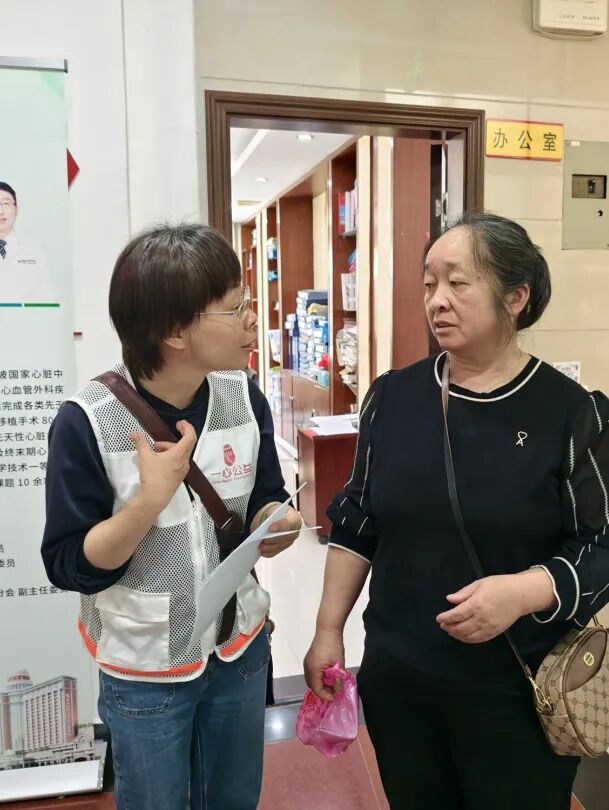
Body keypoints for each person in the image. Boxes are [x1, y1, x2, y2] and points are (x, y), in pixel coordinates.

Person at [304, 212, 609, 809]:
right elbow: (358, 520)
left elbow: (601, 544)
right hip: (401, 680)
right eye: (428, 284)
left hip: (517, 688)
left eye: (457, 282)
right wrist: (327, 631)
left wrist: (524, 591)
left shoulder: (573, 415)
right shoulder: (392, 398)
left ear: (515, 297)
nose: (437, 300)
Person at [41, 224, 302, 810]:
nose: (251, 320)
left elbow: (265, 493)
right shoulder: (86, 421)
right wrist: (146, 504)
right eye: (234, 308)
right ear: (175, 332)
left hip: (238, 648)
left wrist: (274, 521)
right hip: (144, 670)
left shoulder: (244, 396)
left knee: (234, 799)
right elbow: (69, 564)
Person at [0, 182, 57, 303]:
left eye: (6, 203)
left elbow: (48, 299)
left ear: (16, 209)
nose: (1, 211)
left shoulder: (35, 251)